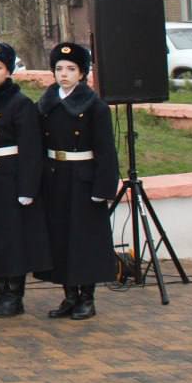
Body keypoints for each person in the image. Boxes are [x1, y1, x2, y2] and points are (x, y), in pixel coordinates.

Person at [35, 42, 119, 321]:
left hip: (82, 178)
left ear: (82, 73)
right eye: (59, 69)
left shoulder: (94, 106)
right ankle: (69, 294)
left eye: (71, 69)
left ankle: (87, 296)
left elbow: (106, 151)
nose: (64, 74)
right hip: (55, 176)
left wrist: (103, 187)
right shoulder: (47, 103)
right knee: (60, 237)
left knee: (84, 240)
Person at [0, 40, 52, 318]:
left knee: (12, 239)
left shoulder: (19, 103)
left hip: (9, 175)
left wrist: (27, 186)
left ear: (8, 71)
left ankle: (13, 296)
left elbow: (31, 149)